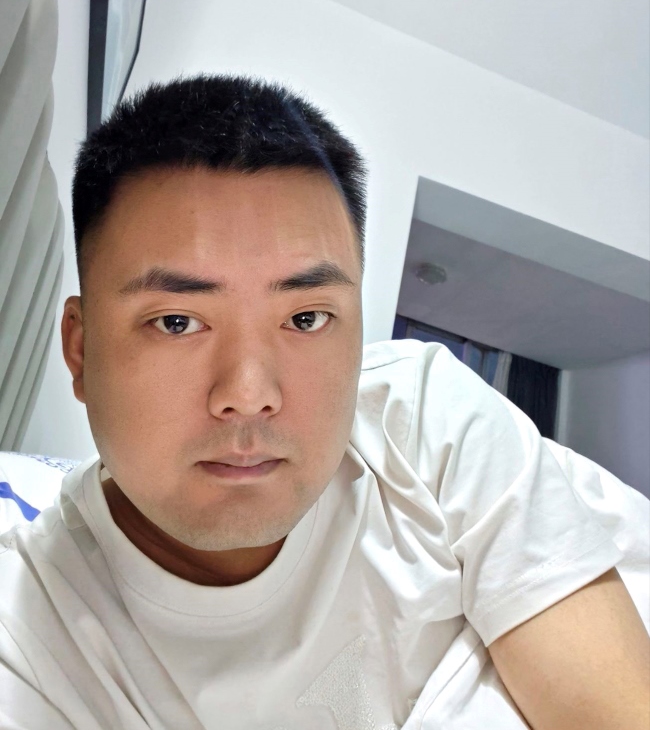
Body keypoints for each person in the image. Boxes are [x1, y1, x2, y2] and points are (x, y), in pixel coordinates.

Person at [0, 75, 648, 730]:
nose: (248, 395)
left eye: (306, 318)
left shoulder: (424, 421)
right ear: (81, 350)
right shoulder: (30, 638)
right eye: (177, 322)